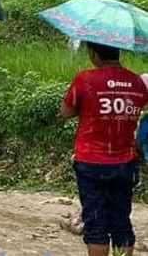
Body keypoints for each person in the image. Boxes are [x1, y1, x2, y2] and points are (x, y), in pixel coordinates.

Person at [61, 41, 148, 256]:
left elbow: (66, 112)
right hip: (125, 162)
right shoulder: (137, 82)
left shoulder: (85, 79)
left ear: (93, 53)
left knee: (96, 225)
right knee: (121, 221)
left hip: (91, 161)